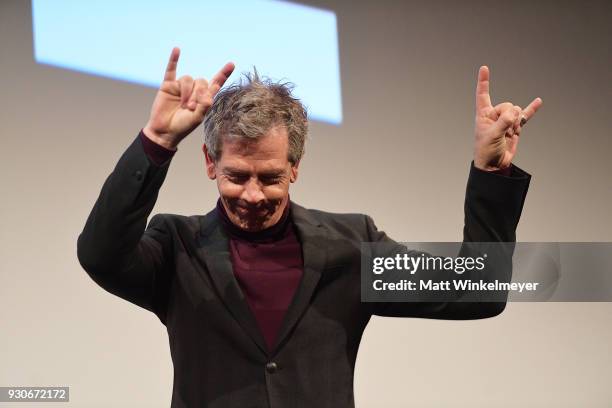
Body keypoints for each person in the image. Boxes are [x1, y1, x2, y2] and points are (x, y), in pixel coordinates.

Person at [77, 47, 540, 407]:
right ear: (209, 162)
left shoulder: (350, 246)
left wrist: (491, 172)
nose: (253, 195)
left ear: (294, 168)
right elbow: (100, 256)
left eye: (270, 177)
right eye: (237, 176)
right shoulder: (177, 248)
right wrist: (156, 143)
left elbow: (478, 291)